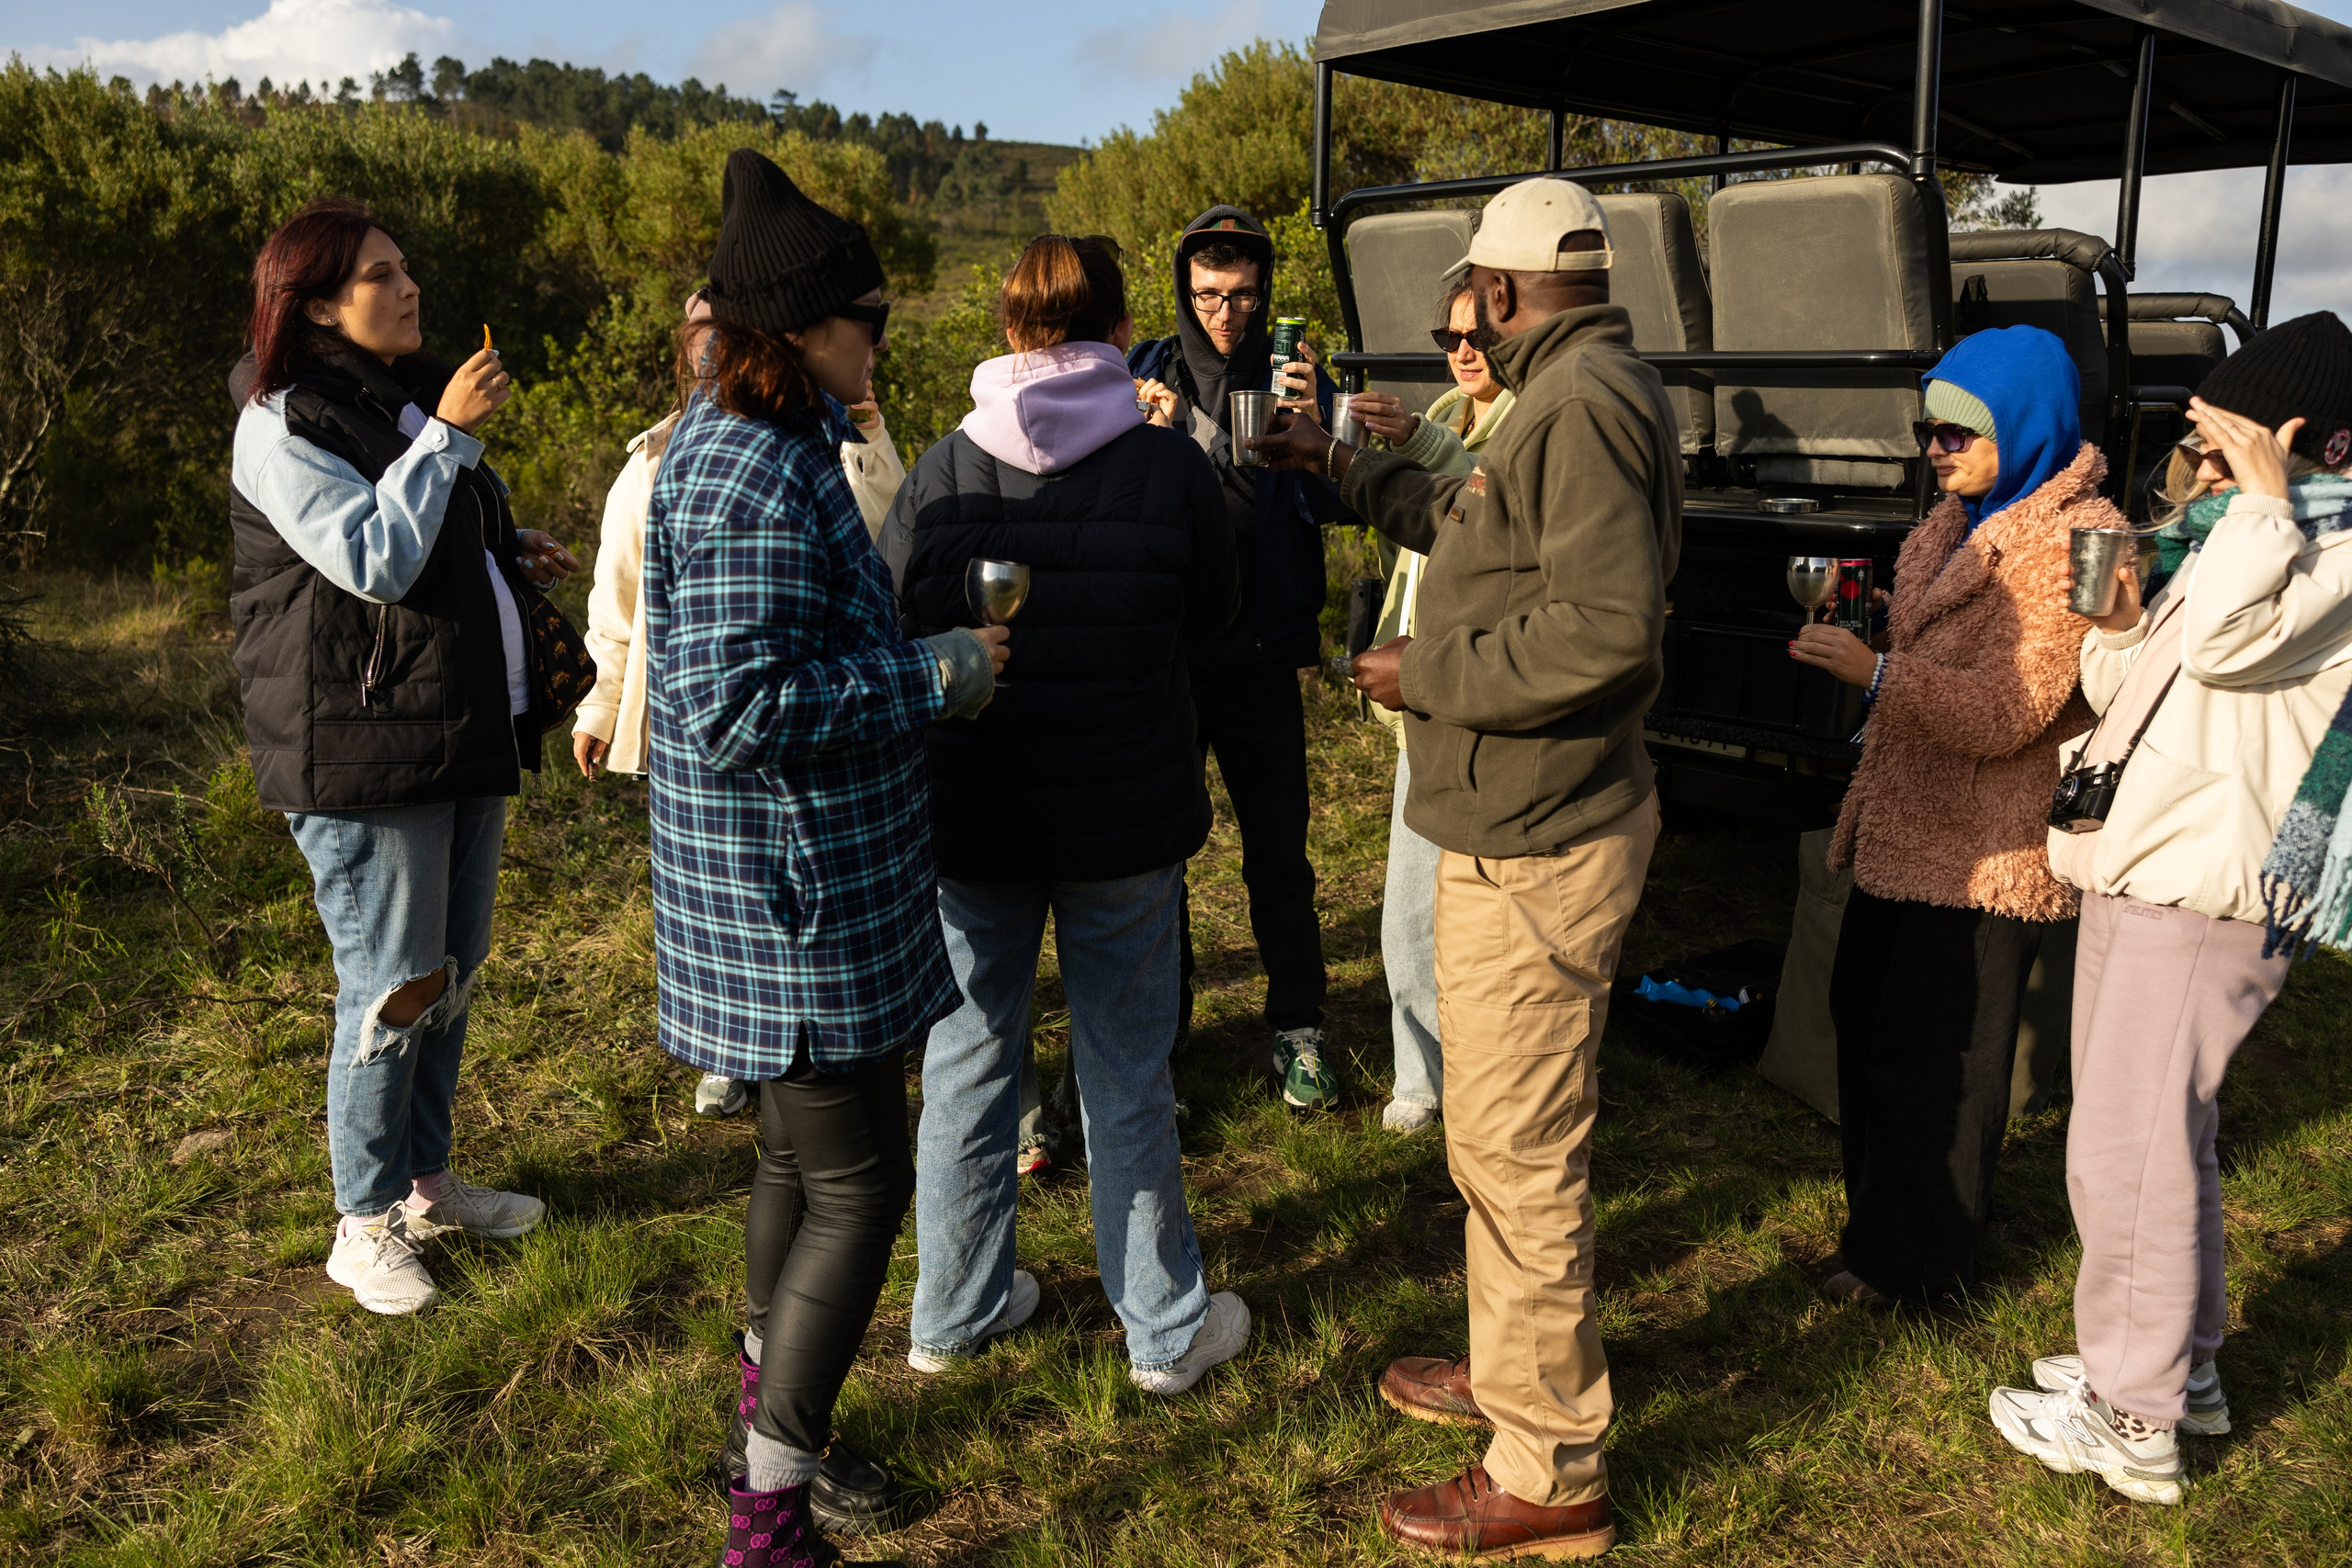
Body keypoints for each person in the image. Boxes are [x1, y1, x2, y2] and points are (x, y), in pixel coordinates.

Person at [1250, 175, 1677, 1561]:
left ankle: (1550, 1470)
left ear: (1497, 290)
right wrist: (1341, 470)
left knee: (1522, 1152)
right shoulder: (1563, 389)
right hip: (1516, 817)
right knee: (1494, 1144)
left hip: (1544, 835)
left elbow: (1606, 630)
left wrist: (1421, 667)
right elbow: (1487, 531)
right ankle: (1511, 1383)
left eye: (1466, 293)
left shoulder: (1586, 403)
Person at [644, 150, 1005, 1555]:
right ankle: (770, 1509)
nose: (883, 341)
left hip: (798, 883)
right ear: (799, 327)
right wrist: (939, 674)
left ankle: (773, 1418)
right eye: (872, 317)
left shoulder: (764, 438)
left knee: (798, 1169)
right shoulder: (746, 472)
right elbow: (737, 709)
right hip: (794, 904)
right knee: (860, 1185)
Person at [1988, 311, 2352, 1506]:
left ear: (2293, 436)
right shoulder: (2230, 530)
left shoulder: (2326, 544)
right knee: (2141, 1141)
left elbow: (2240, 646)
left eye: (2226, 428)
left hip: (2208, 886)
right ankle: (2175, 1368)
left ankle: (2131, 1413)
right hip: (2143, 860)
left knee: (2129, 1153)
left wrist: (2253, 502)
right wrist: (2123, 587)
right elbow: (2118, 682)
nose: (2199, 446)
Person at [880, 234, 1250, 1393]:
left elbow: (892, 626)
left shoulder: (942, 469)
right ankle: (1161, 1329)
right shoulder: (1170, 466)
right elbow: (1222, 616)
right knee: (1125, 1070)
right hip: (1121, 815)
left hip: (973, 819)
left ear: (1006, 331)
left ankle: (953, 1310)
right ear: (1111, 325)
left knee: (966, 1065)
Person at [226, 198, 571, 1317]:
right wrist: (452, 438)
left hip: (452, 726)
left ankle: (426, 1186)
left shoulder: (394, 403)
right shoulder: (283, 422)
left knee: (449, 977)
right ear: (316, 304)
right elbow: (369, 557)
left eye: (408, 267)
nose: (409, 287)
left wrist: (500, 544)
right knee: (390, 989)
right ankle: (361, 1222)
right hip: (364, 753)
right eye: (381, 275)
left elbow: (417, 534)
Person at [1789, 325, 2108, 1311]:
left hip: (1983, 850)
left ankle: (1928, 1274)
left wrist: (1880, 670)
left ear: (2025, 421)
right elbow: (1947, 654)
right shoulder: (1948, 524)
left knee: (1945, 1071)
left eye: (1958, 430)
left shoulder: (2081, 541)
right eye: (1927, 427)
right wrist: (1880, 624)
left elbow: (2012, 713)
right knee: (1868, 1032)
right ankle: (1876, 1241)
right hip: (1902, 827)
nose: (1936, 447)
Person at [571, 292, 908, 1122]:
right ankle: (736, 1049)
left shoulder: (834, 438)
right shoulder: (660, 458)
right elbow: (618, 600)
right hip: (705, 718)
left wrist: (865, 436)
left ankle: (764, 1045)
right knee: (723, 881)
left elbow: (894, 529)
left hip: (815, 730)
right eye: (694, 326)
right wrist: (603, 701)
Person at [1126, 205, 1353, 1111]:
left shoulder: (1295, 373)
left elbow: (1338, 501)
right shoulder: (1145, 370)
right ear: (1185, 291)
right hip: (1168, 654)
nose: (1227, 313)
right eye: (1210, 295)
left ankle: (1298, 1028)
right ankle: (1160, 1037)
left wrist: (1325, 428)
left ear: (1265, 296)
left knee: (1279, 856)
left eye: (1244, 296)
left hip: (1259, 648)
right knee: (1157, 858)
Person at [1346, 275, 1518, 1134]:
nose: (1462, 351)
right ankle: (1421, 1073)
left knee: (1491, 915)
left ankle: (1490, 1075)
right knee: (1409, 903)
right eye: (1450, 335)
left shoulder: (1530, 422)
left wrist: (1410, 442)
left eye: (1478, 335)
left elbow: (1489, 500)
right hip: (1428, 698)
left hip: (1493, 694)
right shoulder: (1447, 413)